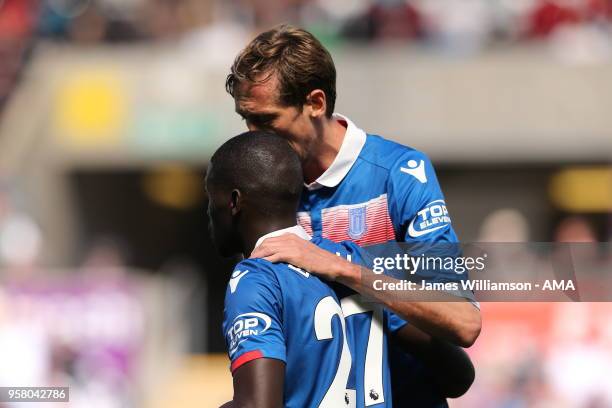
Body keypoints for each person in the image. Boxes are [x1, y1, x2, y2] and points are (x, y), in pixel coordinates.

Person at [226, 24, 480, 406]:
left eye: (266, 121)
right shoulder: (266, 191)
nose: (254, 137)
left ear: (315, 103)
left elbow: (463, 322)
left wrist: (341, 267)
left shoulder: (398, 174)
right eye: (246, 119)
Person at [207, 131, 398, 407]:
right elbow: (457, 374)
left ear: (234, 202)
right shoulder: (350, 262)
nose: (210, 212)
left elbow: (258, 405)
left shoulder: (256, 277)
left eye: (211, 198)